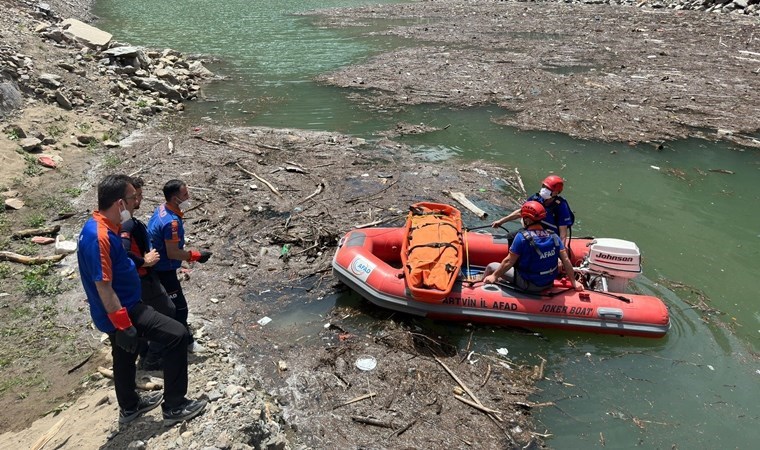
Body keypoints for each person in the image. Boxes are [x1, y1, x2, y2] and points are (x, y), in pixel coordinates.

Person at [77, 174, 206, 426]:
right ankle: (175, 406)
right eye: (132, 198)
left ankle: (130, 406)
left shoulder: (101, 227)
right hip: (123, 309)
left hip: (119, 308)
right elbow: (103, 286)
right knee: (177, 334)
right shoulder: (99, 236)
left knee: (124, 354)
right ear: (119, 204)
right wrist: (124, 325)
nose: (136, 201)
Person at [148, 179, 212, 353]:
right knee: (180, 308)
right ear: (175, 198)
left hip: (156, 265)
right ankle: (185, 342)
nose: (188, 197)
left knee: (166, 305)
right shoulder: (171, 223)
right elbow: (173, 252)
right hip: (164, 268)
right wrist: (195, 256)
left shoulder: (161, 209)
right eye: (185, 194)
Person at [120, 177, 175, 370]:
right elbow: (123, 251)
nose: (139, 200)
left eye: (140, 195)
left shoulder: (127, 222)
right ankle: (153, 357)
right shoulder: (126, 225)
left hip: (139, 276)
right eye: (137, 196)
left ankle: (144, 352)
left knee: (143, 315)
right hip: (143, 277)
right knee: (168, 311)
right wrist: (144, 260)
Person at [483, 201, 583, 293]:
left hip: (529, 284)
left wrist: (494, 276)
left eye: (522, 217)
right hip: (548, 283)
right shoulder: (554, 236)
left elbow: (508, 261)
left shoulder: (521, 237)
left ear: (527, 220)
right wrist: (573, 282)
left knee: (491, 266)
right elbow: (566, 260)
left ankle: (481, 286)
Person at [491, 174, 574, 243]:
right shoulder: (536, 198)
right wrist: (501, 221)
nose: (544, 189)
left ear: (556, 192)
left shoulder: (561, 206)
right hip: (534, 230)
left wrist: (561, 254)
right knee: (511, 237)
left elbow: (563, 234)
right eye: (543, 186)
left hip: (549, 237)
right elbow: (521, 212)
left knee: (518, 239)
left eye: (548, 188)